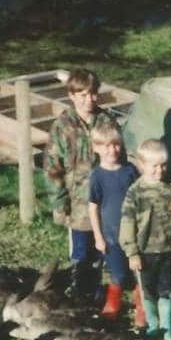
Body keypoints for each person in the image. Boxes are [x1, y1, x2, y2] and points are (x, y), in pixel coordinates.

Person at [44, 68, 120, 303]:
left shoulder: (107, 120)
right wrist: (59, 203)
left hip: (105, 202)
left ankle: (97, 291)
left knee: (103, 249)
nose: (89, 100)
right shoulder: (63, 125)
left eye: (93, 94)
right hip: (77, 203)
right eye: (83, 95)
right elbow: (52, 167)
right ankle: (78, 295)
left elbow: (120, 156)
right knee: (80, 252)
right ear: (72, 95)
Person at [119, 139, 171, 340]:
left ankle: (167, 328)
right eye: (155, 166)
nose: (160, 170)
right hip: (144, 253)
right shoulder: (135, 192)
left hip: (168, 250)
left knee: (167, 290)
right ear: (142, 165)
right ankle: (153, 326)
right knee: (148, 292)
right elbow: (127, 223)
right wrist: (132, 253)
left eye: (163, 165)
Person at [87, 124, 142, 324]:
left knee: (139, 272)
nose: (113, 150)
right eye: (107, 146)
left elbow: (141, 196)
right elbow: (93, 208)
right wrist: (98, 237)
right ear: (96, 148)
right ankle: (113, 305)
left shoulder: (130, 171)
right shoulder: (97, 176)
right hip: (111, 235)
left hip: (135, 233)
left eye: (116, 145)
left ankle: (142, 308)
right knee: (117, 273)